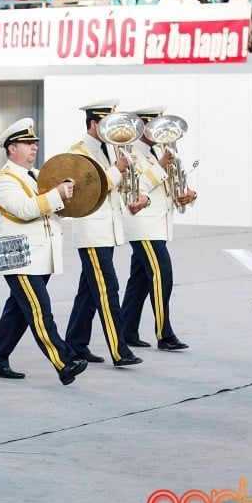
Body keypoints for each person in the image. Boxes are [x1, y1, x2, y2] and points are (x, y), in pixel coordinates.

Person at [0, 118, 88, 385]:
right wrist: (57, 194)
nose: (33, 148)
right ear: (11, 149)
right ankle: (63, 361)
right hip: (20, 259)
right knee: (40, 312)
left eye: (34, 143)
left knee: (18, 312)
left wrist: (66, 196)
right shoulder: (4, 180)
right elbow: (27, 209)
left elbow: (50, 209)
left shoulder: (38, 175)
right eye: (27, 143)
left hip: (39, 256)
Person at [64, 100, 144, 367]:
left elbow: (114, 190)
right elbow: (91, 188)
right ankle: (119, 350)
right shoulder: (79, 152)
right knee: (108, 289)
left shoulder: (108, 151)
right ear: (93, 124)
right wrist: (118, 169)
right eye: (107, 125)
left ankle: (75, 343)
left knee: (88, 291)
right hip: (92, 232)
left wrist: (135, 197)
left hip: (107, 231)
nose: (112, 132)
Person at [121, 108, 196, 352]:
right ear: (142, 127)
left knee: (140, 281)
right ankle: (165, 334)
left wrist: (189, 194)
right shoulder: (131, 154)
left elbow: (177, 183)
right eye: (153, 126)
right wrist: (162, 166)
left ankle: (127, 330)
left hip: (159, 225)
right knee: (163, 277)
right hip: (143, 225)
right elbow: (135, 188)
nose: (159, 132)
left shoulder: (163, 151)